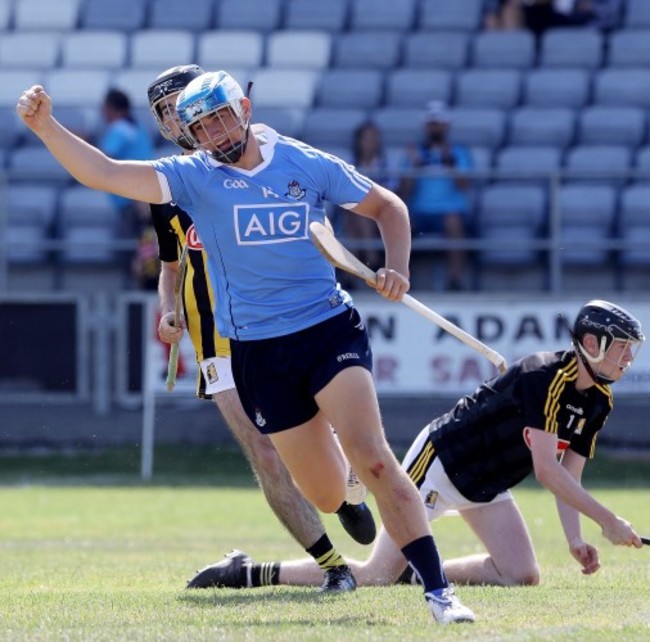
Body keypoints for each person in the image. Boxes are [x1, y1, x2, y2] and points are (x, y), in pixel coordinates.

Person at [16, 73, 476, 624]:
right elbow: (107, 173)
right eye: (202, 126)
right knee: (328, 496)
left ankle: (439, 592)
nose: (215, 132)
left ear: (246, 108)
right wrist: (47, 128)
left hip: (327, 329)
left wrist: (397, 267)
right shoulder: (191, 178)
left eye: (222, 117)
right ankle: (345, 477)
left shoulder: (304, 162)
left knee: (376, 458)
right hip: (257, 353)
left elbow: (389, 208)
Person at [190, 300, 646, 590]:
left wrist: (576, 538)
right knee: (372, 576)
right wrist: (609, 520)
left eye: (632, 350)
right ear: (591, 342)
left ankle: (414, 568)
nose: (628, 359)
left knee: (521, 575)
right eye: (622, 348)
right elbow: (547, 471)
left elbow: (568, 476)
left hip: (485, 483)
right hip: (442, 463)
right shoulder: (545, 377)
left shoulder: (598, 401)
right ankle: (247, 571)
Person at [147, 65, 376, 593]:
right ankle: (333, 566)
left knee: (318, 434)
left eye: (182, 104)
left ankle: (345, 489)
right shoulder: (164, 185)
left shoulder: (259, 165)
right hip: (215, 340)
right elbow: (170, 266)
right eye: (164, 112)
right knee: (263, 450)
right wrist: (168, 309)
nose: (177, 119)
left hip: (281, 325)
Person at [398, 101, 474, 292]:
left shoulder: (459, 153)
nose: (435, 127)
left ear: (447, 125)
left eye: (439, 123)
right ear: (426, 126)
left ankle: (455, 279)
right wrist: (414, 167)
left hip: (449, 211)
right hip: (420, 211)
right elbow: (404, 191)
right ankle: (403, 281)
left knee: (453, 223)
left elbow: (465, 186)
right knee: (400, 226)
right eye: (432, 123)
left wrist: (451, 165)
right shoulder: (414, 154)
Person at [98, 88, 156, 288]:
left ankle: (133, 294)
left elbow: (102, 159)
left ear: (111, 108)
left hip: (132, 200)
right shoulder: (138, 128)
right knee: (145, 249)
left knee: (131, 251)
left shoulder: (119, 129)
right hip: (145, 196)